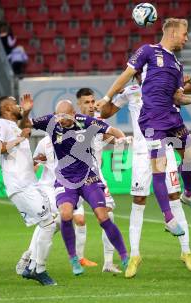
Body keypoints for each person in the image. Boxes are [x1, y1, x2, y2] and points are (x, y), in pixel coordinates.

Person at [96, 18, 191, 237]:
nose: (186, 38)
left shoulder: (177, 64)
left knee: (190, 156)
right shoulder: (148, 51)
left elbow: (178, 97)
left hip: (171, 115)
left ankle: (188, 194)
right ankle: (169, 218)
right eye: (184, 34)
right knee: (159, 168)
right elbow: (126, 75)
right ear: (173, 33)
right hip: (151, 119)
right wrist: (106, 97)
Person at [98, 73, 191, 278]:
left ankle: (186, 252)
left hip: (164, 148)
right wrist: (107, 98)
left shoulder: (166, 88)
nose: (140, 74)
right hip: (140, 154)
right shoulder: (130, 92)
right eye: (137, 72)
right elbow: (106, 112)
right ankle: (135, 256)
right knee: (138, 201)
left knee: (174, 197)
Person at [19, 95, 129, 276]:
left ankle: (124, 256)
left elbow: (111, 129)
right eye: (58, 115)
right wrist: (27, 112)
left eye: (65, 115)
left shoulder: (84, 121)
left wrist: (122, 138)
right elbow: (24, 125)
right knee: (65, 214)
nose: (61, 119)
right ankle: (74, 259)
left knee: (103, 216)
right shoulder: (50, 122)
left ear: (74, 114)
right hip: (65, 179)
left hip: (88, 178)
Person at [0, 96, 57, 285]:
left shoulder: (14, 125)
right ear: (7, 107)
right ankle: (37, 268)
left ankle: (31, 264)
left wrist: (26, 112)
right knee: (48, 224)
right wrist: (21, 138)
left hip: (30, 183)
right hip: (19, 185)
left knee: (53, 221)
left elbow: (23, 122)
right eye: (16, 103)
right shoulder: (0, 124)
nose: (19, 104)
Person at [15, 133, 98, 277]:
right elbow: (35, 163)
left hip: (71, 188)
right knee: (49, 221)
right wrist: (27, 180)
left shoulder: (76, 138)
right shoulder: (45, 142)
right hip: (49, 188)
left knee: (57, 223)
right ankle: (31, 257)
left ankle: (33, 255)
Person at [76, 87, 123, 273]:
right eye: (86, 102)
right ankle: (32, 257)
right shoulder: (72, 123)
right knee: (55, 221)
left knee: (108, 214)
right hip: (72, 178)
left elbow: (106, 137)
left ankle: (108, 263)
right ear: (78, 104)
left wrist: (121, 140)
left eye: (92, 101)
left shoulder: (99, 122)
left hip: (95, 176)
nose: (91, 105)